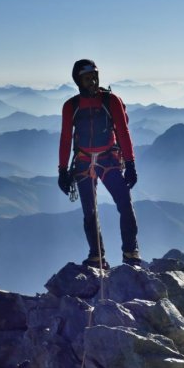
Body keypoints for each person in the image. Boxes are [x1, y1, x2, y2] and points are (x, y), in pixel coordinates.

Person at [57, 59, 140, 269]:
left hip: (106, 160)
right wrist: (62, 170)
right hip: (87, 162)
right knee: (90, 213)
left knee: (125, 206)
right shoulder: (71, 106)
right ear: (78, 81)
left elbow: (123, 131)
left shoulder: (111, 101)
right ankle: (97, 256)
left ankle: (130, 253)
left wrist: (130, 163)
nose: (92, 81)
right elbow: (65, 138)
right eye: (87, 78)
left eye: (94, 76)